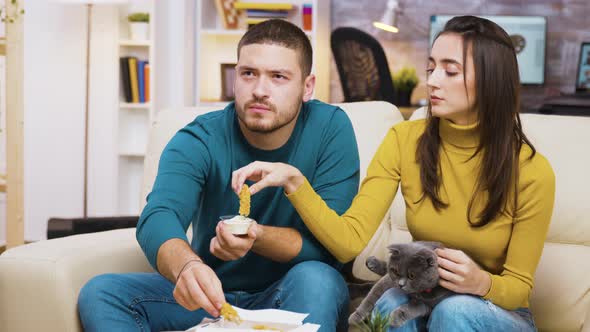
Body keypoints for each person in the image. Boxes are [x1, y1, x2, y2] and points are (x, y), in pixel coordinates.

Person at [232, 16, 555, 331]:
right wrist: (295, 182)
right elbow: (349, 242)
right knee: (388, 304)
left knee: (454, 311)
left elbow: (519, 288)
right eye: (431, 68)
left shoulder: (531, 171)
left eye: (450, 71)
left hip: (493, 312)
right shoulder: (405, 140)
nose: (432, 80)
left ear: (490, 79)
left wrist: (481, 282)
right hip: (425, 299)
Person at [77, 19, 360, 332]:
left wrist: (256, 237)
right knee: (101, 293)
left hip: (292, 293)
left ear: (307, 87)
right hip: (210, 298)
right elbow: (159, 216)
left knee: (319, 278)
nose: (259, 91)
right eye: (248, 73)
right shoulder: (199, 137)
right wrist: (187, 266)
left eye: (278, 77)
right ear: (235, 76)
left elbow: (333, 245)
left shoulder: (331, 130)